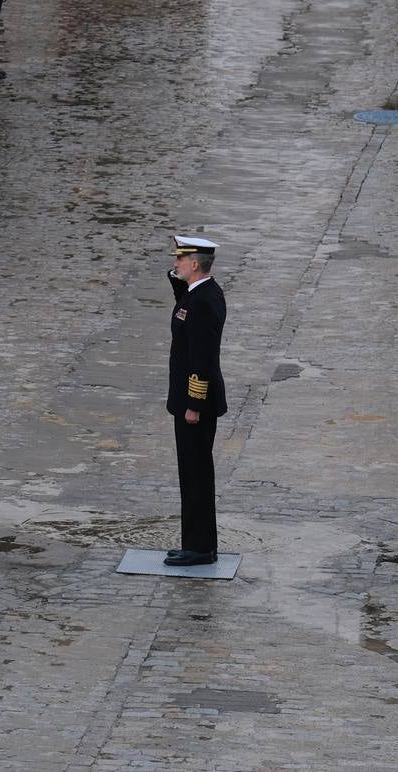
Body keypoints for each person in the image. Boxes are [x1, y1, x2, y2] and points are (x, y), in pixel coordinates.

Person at [163, 235, 226, 567]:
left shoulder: (202, 303)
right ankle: (197, 543)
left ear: (195, 264)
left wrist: (194, 404)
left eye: (180, 260)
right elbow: (183, 308)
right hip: (190, 400)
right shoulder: (200, 294)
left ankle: (200, 548)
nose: (175, 263)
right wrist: (176, 282)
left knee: (197, 474)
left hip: (194, 404)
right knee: (192, 473)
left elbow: (201, 358)